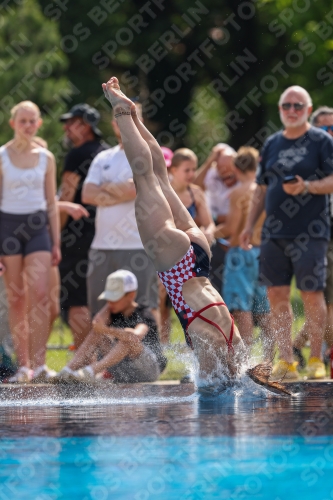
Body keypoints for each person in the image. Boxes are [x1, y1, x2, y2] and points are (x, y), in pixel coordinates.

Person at [100, 76, 290, 396]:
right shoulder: (210, 344)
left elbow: (243, 377)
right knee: (147, 178)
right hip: (179, 268)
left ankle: (133, 116)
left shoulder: (235, 345)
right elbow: (211, 391)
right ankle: (122, 113)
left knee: (159, 177)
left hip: (199, 256)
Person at [240, 86, 333, 381]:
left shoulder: (321, 141)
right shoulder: (272, 143)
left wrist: (308, 187)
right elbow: (261, 187)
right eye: (286, 106)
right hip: (273, 234)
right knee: (276, 296)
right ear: (280, 110)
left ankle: (317, 359)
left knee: (311, 294)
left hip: (311, 231)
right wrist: (248, 224)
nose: (292, 110)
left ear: (308, 109)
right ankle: (287, 360)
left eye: (298, 105)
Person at [82, 103, 159, 325]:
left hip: (137, 246)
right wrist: (122, 190)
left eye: (131, 117)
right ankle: (104, 360)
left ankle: (150, 359)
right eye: (119, 118)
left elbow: (135, 189)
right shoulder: (102, 158)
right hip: (102, 247)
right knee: (100, 310)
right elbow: (87, 194)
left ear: (140, 122)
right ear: (114, 124)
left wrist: (105, 189)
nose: (123, 123)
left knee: (143, 309)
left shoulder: (149, 155)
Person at [0, 100, 61, 382]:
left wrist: (56, 242)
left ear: (38, 124)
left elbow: (52, 203)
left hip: (38, 227)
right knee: (16, 297)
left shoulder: (46, 157)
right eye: (22, 121)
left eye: (32, 121)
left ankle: (40, 364)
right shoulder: (1, 155)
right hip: (8, 228)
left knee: (40, 295)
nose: (27, 125)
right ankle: (23, 366)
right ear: (13, 124)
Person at [53, 270, 166, 382]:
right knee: (97, 332)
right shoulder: (112, 310)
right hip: (123, 371)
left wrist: (108, 330)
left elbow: (135, 336)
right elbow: (97, 325)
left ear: (131, 295)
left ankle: (90, 371)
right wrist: (109, 306)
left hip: (148, 371)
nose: (110, 301)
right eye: (108, 298)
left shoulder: (144, 312)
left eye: (115, 297)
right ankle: (67, 370)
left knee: (127, 339)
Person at [58, 103, 109, 348]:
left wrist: (55, 233)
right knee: (99, 298)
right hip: (107, 237)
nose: (66, 128)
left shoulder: (76, 154)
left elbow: (66, 196)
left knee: (75, 300)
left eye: (72, 122)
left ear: (86, 125)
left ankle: (84, 361)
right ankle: (101, 360)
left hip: (76, 238)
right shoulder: (107, 153)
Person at [214, 147, 270, 352]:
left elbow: (230, 228)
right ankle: (269, 358)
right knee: (263, 308)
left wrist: (208, 232)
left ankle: (246, 359)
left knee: (241, 308)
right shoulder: (264, 189)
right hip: (262, 253)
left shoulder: (239, 192)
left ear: (237, 168)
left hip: (241, 254)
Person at [159, 147, 215, 342]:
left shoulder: (196, 193)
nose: (192, 174)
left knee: (193, 300)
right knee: (162, 301)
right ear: (173, 170)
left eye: (194, 169)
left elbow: (208, 222)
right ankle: (163, 345)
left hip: (191, 255)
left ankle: (195, 342)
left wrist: (208, 231)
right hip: (167, 254)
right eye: (187, 170)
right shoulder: (163, 194)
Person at [293, 106, 333, 367]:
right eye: (325, 129)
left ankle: (298, 346)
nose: (329, 133)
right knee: (325, 299)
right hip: (316, 232)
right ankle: (324, 356)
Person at [194, 144, 238, 292]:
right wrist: (210, 161)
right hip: (215, 231)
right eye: (222, 175)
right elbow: (194, 187)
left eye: (230, 175)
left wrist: (212, 218)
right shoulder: (212, 172)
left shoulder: (247, 175)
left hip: (237, 233)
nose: (227, 179)